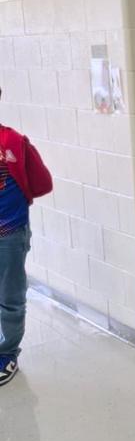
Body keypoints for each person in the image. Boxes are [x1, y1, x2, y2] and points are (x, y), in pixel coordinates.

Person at [0, 87, 53, 386]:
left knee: (9, 298)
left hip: (9, 235)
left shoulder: (14, 142)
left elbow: (42, 182)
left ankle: (6, 354)